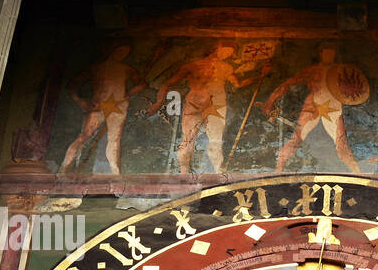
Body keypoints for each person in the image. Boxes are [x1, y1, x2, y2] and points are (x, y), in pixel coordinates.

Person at [146, 44, 262, 174]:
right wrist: (158, 103)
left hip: (217, 105)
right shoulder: (192, 66)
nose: (227, 55)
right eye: (226, 51)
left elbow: (238, 84)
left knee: (216, 141)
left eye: (230, 53)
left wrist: (260, 76)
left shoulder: (226, 67)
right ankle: (184, 174)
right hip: (195, 104)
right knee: (188, 140)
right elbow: (167, 84)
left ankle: (219, 173)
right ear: (215, 49)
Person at [263, 46, 363, 173]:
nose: (329, 55)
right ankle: (278, 170)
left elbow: (354, 89)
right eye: (326, 51)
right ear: (321, 53)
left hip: (334, 106)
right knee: (296, 138)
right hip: (312, 105)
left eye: (332, 52)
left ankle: (358, 173)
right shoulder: (313, 70)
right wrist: (270, 101)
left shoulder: (340, 71)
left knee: (342, 143)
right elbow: (288, 84)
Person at [60, 43, 145, 175]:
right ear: (112, 50)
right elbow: (72, 85)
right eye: (120, 51)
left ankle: (115, 173)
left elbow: (142, 84)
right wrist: (80, 101)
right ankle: (64, 168)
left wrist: (127, 94)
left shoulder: (126, 69)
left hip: (118, 107)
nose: (122, 55)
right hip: (98, 106)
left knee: (114, 139)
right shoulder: (96, 68)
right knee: (84, 137)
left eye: (126, 53)